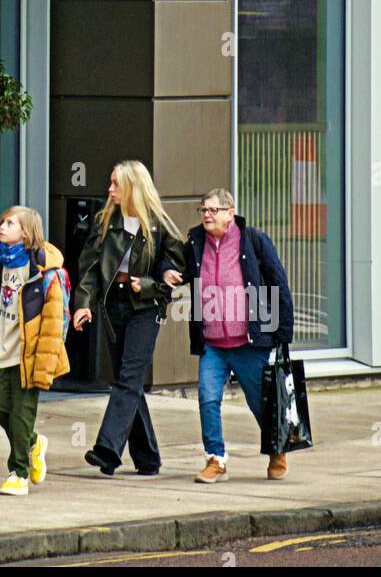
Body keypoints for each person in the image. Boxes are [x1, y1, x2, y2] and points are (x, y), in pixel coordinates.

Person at [165, 187, 295, 484]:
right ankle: (216, 459)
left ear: (230, 212)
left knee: (260, 402)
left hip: (248, 342)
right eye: (203, 210)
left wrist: (282, 334)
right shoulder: (196, 242)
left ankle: (277, 448)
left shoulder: (254, 240)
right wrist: (166, 273)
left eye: (213, 210)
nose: (207, 215)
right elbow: (181, 269)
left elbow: (278, 283)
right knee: (207, 399)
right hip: (212, 343)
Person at [72, 160, 186, 476]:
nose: (110, 190)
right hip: (114, 305)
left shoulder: (159, 226)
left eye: (116, 184)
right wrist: (83, 304)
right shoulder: (105, 221)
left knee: (128, 378)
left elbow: (176, 270)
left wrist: (149, 283)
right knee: (128, 382)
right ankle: (148, 458)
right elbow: (91, 268)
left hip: (146, 308)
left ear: (133, 187)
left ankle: (107, 450)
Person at [0, 206, 70, 497]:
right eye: (2, 221)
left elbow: (53, 320)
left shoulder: (44, 267)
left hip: (28, 349)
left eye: (10, 223)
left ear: (26, 232)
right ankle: (32, 442)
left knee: (21, 410)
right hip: (1, 342)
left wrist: (45, 360)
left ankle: (18, 472)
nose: (2, 226)